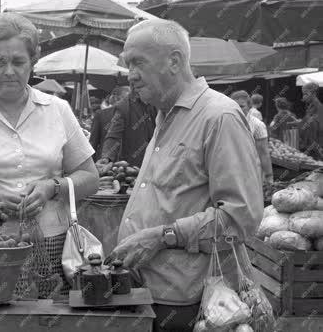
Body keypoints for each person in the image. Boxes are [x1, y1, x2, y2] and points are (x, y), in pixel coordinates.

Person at [108, 19, 263, 332]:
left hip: (187, 299)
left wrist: (162, 236)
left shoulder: (219, 116)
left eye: (138, 63)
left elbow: (241, 217)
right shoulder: (165, 113)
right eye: (128, 65)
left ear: (174, 61)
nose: (131, 75)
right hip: (150, 287)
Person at [0, 13, 99, 298]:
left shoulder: (57, 110)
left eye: (19, 62)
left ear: (33, 61)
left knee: (49, 324)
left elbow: (90, 179)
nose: (9, 71)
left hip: (53, 245)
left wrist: (53, 187)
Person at [99, 88, 156, 167]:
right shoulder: (124, 106)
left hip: (157, 162)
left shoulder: (159, 103)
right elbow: (114, 135)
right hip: (134, 164)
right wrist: (107, 157)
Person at [231, 90, 273, 185]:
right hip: (230, 173)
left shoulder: (257, 125)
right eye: (234, 106)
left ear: (249, 106)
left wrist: (269, 176)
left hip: (251, 173)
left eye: (242, 106)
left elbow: (263, 153)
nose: (237, 109)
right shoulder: (225, 122)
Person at [89, 86, 130, 160]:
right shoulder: (101, 114)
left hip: (128, 162)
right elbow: (93, 142)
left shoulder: (135, 114)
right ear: (116, 98)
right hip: (105, 160)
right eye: (127, 99)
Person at [299, 82, 323, 159]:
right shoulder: (311, 106)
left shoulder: (318, 106)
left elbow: (319, 127)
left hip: (316, 145)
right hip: (309, 144)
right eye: (303, 94)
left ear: (313, 94)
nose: (303, 97)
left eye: (306, 94)